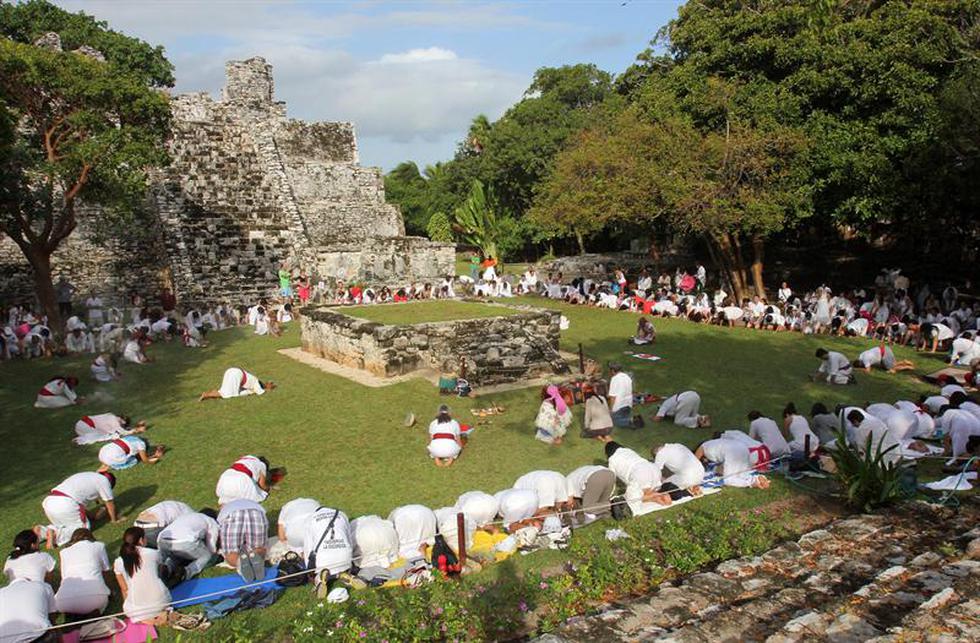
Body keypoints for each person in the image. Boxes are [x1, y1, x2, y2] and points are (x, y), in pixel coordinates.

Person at [41, 471, 117, 547]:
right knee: (82, 531)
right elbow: (109, 503)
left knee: (63, 525)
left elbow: (78, 505)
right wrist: (114, 520)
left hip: (49, 502)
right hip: (65, 504)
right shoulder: (104, 481)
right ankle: (53, 532)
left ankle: (41, 532)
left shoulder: (89, 475)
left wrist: (93, 516)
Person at [115, 527, 171, 625]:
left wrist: (130, 606)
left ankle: (144, 618)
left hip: (137, 610)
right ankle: (159, 613)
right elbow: (159, 573)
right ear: (141, 540)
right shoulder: (153, 553)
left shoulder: (118, 562)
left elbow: (124, 588)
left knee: (131, 609)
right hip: (161, 601)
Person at [54, 528, 112, 616]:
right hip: (97, 598)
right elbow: (106, 570)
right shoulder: (99, 546)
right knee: (98, 603)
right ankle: (91, 614)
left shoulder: (63, 552)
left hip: (63, 602)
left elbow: (64, 577)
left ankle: (74, 614)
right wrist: (110, 590)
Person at [606, 442, 672, 515]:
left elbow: (611, 479)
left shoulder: (612, 460)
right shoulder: (628, 450)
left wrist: (609, 494)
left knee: (632, 500)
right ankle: (659, 496)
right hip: (653, 468)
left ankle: (654, 496)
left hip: (640, 474)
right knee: (649, 488)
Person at [303, 506, 354, 594]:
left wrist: (309, 570)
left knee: (317, 576)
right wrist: (350, 560)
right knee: (342, 565)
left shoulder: (310, 518)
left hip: (323, 559)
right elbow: (349, 540)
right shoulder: (342, 514)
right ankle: (343, 574)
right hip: (344, 556)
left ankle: (320, 580)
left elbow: (308, 547)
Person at [217, 499, 268, 582]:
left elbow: (220, 536)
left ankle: (240, 562)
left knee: (230, 553)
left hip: (232, 516)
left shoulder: (224, 510)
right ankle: (255, 555)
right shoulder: (252, 502)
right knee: (259, 547)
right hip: (257, 513)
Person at [695, 438, 770, 488]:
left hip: (732, 452)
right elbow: (721, 466)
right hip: (743, 448)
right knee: (741, 473)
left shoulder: (702, 447)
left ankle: (753, 482)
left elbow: (694, 462)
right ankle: (757, 478)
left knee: (728, 479)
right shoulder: (712, 444)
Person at [0, 577, 56, 643]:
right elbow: (52, 616)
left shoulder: (1, 591)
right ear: (29, 581)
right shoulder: (43, 585)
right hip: (39, 636)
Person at [199, 367, 276, 401]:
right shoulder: (257, 384)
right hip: (236, 375)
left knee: (224, 391)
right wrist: (269, 388)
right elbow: (260, 392)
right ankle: (207, 395)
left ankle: (211, 393)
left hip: (233, 371)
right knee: (228, 395)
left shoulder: (255, 380)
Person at [97, 435, 165, 472]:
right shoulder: (141, 444)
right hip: (113, 457)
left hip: (102, 452)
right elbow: (145, 460)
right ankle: (109, 466)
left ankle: (105, 464)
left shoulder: (130, 437)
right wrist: (156, 458)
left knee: (118, 454)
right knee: (134, 460)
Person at [74, 413, 146, 445]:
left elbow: (120, 430)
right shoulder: (114, 419)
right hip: (84, 426)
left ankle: (81, 438)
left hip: (82, 427)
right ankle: (79, 440)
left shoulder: (111, 416)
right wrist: (137, 430)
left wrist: (135, 428)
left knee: (107, 435)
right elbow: (122, 432)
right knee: (104, 436)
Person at [607, 364, 636, 428]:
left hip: (619, 405)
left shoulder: (614, 379)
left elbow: (613, 396)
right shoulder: (627, 377)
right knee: (622, 416)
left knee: (613, 421)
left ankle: (631, 421)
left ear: (613, 371)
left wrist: (611, 409)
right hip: (628, 405)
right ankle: (628, 419)